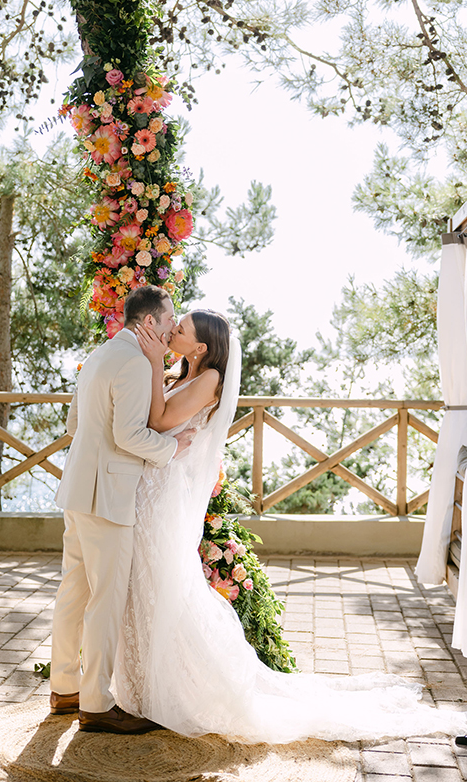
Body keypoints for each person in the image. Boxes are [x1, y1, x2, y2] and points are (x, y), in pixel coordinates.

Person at [112, 309, 467, 743]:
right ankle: (144, 685)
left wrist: (151, 364)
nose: (172, 332)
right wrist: (156, 370)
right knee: (146, 584)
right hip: (154, 485)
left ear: (202, 348)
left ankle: (178, 688)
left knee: (162, 583)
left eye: (180, 329)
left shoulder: (208, 379)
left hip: (164, 494)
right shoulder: (182, 372)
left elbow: (162, 421)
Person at [50, 285, 193, 735]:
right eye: (169, 318)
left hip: (77, 489)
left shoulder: (101, 354)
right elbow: (131, 435)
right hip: (107, 497)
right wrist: (172, 447)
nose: (172, 326)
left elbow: (75, 424)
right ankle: (95, 703)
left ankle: (64, 689)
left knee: (73, 592)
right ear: (148, 321)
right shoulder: (133, 363)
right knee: (106, 600)